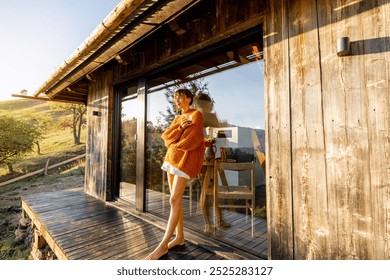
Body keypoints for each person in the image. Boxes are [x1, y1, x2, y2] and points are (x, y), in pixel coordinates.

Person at [145, 88, 205, 260]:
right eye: (175, 99)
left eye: (179, 98)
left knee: (173, 200)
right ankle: (179, 237)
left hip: (184, 161)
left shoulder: (196, 115)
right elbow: (166, 137)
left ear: (188, 98)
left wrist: (175, 144)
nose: (177, 101)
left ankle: (163, 245)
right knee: (175, 201)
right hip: (171, 160)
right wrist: (179, 128)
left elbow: (193, 139)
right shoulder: (178, 118)